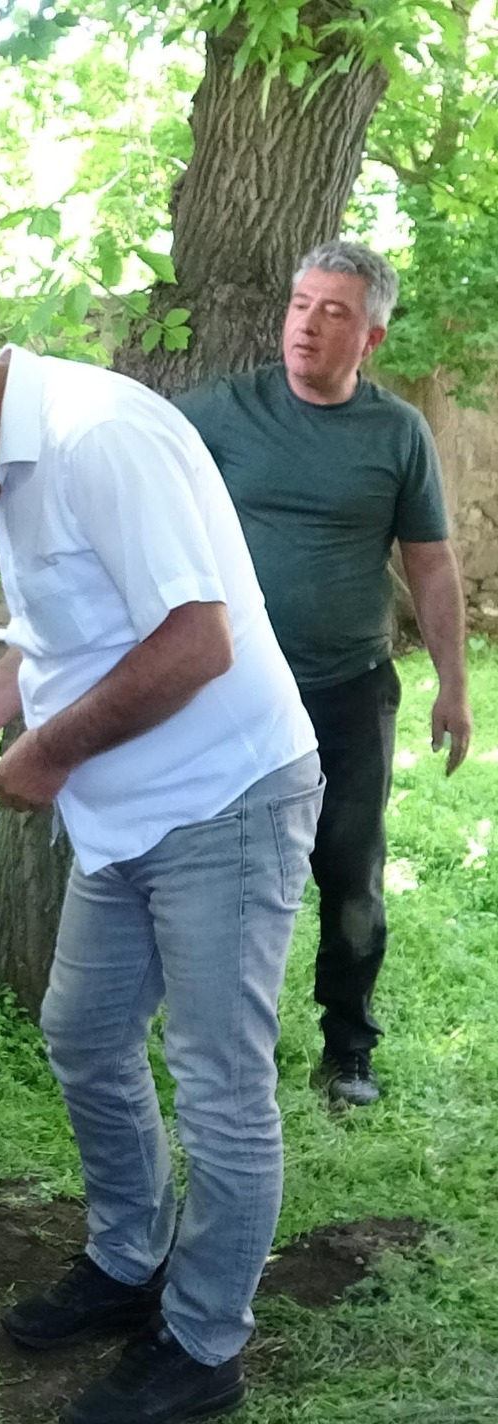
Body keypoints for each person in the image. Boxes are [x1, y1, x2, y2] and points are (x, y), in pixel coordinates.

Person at [0, 323, 322, 1424]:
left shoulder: (97, 440)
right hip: (126, 814)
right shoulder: (13, 455)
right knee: (84, 1031)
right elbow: (80, 615)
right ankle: (127, 1259)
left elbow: (194, 642)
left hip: (224, 800)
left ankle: (200, 1343)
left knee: (217, 1085)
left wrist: (46, 753)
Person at [175, 241, 472, 1108]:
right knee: (219, 865)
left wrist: (454, 684)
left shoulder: (397, 433)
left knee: (348, 871)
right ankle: (230, 1042)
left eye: (334, 311)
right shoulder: (220, 413)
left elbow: (432, 564)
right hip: (229, 689)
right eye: (301, 305)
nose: (308, 325)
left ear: (371, 337)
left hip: (347, 688)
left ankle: (347, 1048)